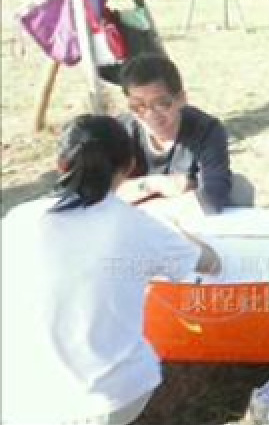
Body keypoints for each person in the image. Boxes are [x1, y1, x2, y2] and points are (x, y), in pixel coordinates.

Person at [1, 114, 221, 425]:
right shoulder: (137, 226)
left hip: (20, 396)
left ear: (60, 165)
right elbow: (210, 263)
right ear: (130, 166)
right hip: (109, 399)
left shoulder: (18, 219)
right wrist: (174, 228)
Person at [114, 53, 252, 213]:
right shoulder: (120, 131)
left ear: (181, 99)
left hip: (187, 220)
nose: (150, 115)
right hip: (135, 218)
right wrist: (156, 184)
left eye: (161, 104)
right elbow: (100, 192)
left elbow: (211, 197)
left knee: (239, 189)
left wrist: (141, 205)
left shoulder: (206, 130)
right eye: (138, 106)